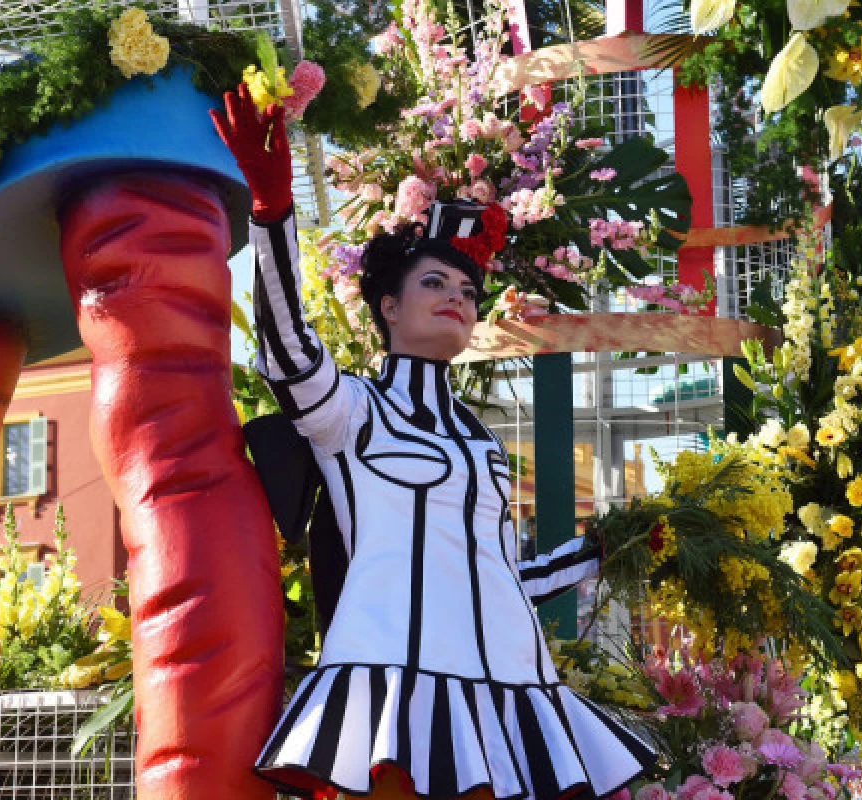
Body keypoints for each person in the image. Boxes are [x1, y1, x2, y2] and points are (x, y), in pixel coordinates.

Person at [212, 84, 655, 800]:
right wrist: (271, 211)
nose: (458, 297)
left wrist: (607, 547)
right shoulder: (350, 411)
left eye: (469, 292)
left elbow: (503, 576)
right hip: (396, 693)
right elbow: (288, 346)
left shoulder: (484, 447)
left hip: (513, 698)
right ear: (389, 307)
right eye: (434, 282)